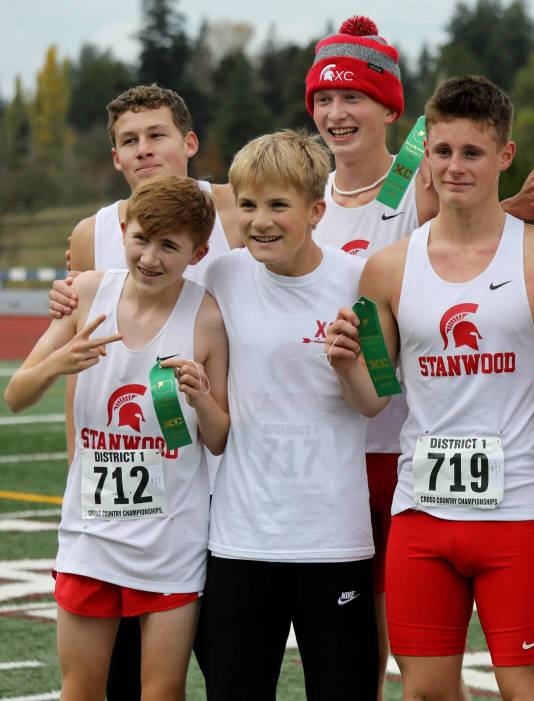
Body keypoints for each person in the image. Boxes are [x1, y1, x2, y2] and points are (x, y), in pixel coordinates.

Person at [304, 17, 534, 698]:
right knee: (422, 690)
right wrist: (345, 364)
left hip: (513, 517)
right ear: (425, 154)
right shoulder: (387, 270)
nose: (455, 166)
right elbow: (377, 396)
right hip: (421, 514)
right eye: (443, 151)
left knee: (527, 690)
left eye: (473, 153)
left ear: (504, 153)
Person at [49, 84, 241, 701]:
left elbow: (350, 217)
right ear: (114, 158)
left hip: (226, 475)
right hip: (131, 492)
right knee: (127, 678)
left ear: (189, 143)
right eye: (129, 141)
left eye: (157, 135)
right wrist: (78, 454)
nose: (144, 150)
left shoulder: (239, 209)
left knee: (228, 669)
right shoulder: (94, 233)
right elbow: (79, 358)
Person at [4, 175, 230, 700]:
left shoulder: (207, 318)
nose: (150, 257)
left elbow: (218, 440)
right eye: (142, 239)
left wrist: (200, 398)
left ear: (196, 253)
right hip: (91, 535)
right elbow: (17, 394)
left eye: (168, 246)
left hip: (171, 540)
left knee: (161, 691)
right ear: (124, 230)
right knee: (81, 690)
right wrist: (59, 362)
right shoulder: (87, 293)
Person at [192, 129, 380, 699]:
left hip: (332, 538)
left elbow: (377, 399)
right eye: (248, 205)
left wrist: (348, 366)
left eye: (278, 205)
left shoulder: (360, 280)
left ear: (317, 210)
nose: (260, 221)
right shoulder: (223, 276)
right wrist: (79, 287)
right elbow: (147, 279)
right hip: (241, 539)